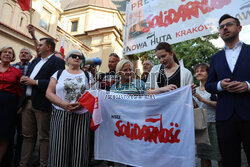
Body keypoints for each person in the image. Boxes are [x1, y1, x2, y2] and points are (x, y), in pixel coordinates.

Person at [205, 14, 250, 167]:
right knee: (229, 161)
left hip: (248, 112)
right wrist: (220, 85)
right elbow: (208, 85)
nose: (224, 28)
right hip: (225, 117)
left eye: (229, 24)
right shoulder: (215, 58)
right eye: (221, 27)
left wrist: (247, 85)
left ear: (239, 28)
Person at [19, 38, 65, 167]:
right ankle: (23, 164)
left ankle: (43, 164)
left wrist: (36, 82)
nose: (37, 47)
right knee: (27, 137)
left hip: (43, 104)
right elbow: (29, 78)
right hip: (27, 103)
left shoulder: (58, 62)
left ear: (49, 47)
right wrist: (24, 79)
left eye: (40, 45)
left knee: (44, 138)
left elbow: (58, 83)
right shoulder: (35, 61)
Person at [46, 50, 93, 167]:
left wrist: (82, 104)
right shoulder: (58, 73)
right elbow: (49, 92)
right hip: (60, 113)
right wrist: (62, 104)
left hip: (82, 115)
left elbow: (93, 93)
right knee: (59, 147)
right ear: (67, 59)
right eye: (74, 56)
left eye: (80, 56)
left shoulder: (88, 75)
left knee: (80, 148)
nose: (77, 58)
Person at [193, 63, 222, 167]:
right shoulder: (194, 90)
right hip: (201, 125)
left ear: (209, 73)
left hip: (215, 124)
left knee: (220, 155)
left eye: (202, 70)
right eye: (196, 71)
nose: (198, 73)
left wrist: (202, 99)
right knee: (204, 155)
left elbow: (220, 105)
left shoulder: (215, 88)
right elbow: (195, 108)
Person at [11, 47, 33, 167]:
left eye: (26, 53)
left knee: (22, 133)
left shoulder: (32, 67)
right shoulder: (12, 66)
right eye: (22, 52)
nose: (23, 54)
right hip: (11, 99)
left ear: (30, 57)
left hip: (25, 101)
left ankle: (19, 161)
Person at [0, 47, 22, 165]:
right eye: (5, 52)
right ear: (0, 54)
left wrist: (20, 105)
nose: (7, 54)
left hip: (9, 104)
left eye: (10, 53)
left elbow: (20, 90)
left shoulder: (17, 72)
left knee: (4, 134)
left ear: (13, 57)